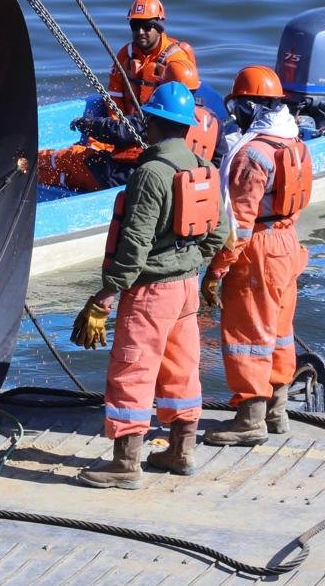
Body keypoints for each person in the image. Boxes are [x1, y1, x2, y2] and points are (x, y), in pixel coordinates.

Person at [70, 82, 229, 489]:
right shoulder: (204, 169)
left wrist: (105, 295)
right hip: (186, 288)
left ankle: (125, 464)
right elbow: (220, 232)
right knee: (181, 368)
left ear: (153, 123)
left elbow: (135, 243)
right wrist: (195, 263)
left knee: (132, 370)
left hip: (150, 291)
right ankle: (181, 451)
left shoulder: (151, 173)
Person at [200, 66, 312, 445]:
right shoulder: (295, 143)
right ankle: (276, 409)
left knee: (247, 332)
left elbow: (240, 223)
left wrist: (216, 270)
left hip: (259, 248)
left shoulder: (253, 154)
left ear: (249, 106)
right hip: (287, 241)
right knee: (279, 330)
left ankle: (249, 418)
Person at [37, 0, 201, 192]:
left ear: (159, 25)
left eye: (147, 26)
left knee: (71, 163)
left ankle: (28, 168)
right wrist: (106, 135)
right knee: (81, 154)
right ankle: (32, 163)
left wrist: (90, 126)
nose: (140, 32)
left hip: (136, 160)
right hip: (129, 143)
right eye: (135, 26)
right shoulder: (126, 56)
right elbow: (116, 110)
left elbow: (133, 129)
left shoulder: (172, 77)